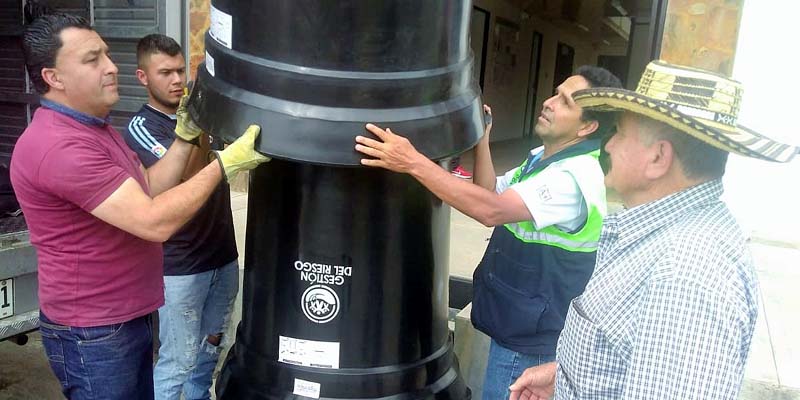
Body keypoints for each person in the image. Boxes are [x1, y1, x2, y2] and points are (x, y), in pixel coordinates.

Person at [10, 13, 268, 400]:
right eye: (92, 59)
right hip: (93, 330)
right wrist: (224, 164)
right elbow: (152, 222)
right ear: (54, 78)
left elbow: (144, 188)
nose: (111, 67)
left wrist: (183, 139)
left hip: (124, 317)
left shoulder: (96, 128)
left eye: (107, 55)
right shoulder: (60, 146)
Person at [508, 60, 798, 400]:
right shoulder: (672, 240)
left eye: (619, 133)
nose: (609, 145)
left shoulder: (686, 275)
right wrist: (569, 376)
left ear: (659, 158)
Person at [354, 66, 622, 399]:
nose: (550, 102)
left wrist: (411, 161)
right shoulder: (543, 159)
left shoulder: (574, 176)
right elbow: (490, 192)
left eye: (565, 102)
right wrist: (483, 138)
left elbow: (490, 211)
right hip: (517, 321)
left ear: (587, 126)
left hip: (531, 342)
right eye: (556, 92)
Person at [120, 34, 239, 400]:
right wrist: (196, 126)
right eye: (165, 72)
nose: (177, 80)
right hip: (182, 267)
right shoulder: (141, 127)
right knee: (179, 360)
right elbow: (187, 176)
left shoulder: (199, 114)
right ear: (143, 77)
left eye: (181, 70)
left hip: (223, 256)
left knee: (210, 350)